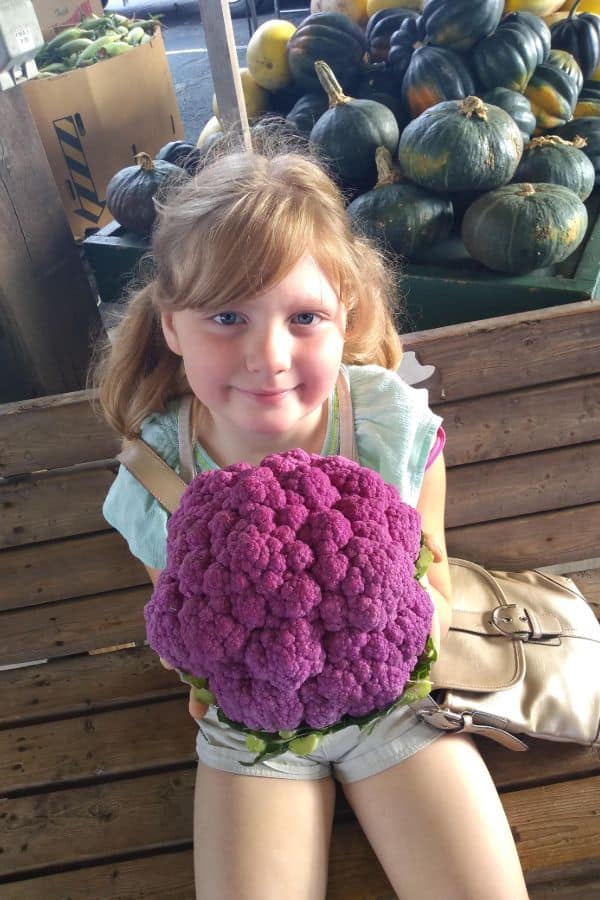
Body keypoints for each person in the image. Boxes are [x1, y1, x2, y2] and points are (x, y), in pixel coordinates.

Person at [95, 139, 529, 900]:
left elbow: (436, 567)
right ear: (170, 325)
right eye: (226, 316)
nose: (267, 355)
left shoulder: (389, 429)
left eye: (303, 316)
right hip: (253, 728)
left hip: (392, 702)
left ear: (346, 316)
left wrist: (426, 615)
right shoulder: (156, 474)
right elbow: (180, 621)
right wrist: (204, 673)